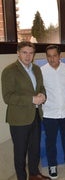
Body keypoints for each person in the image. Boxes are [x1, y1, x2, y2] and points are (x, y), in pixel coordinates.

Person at [1, 41, 50, 180]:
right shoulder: (9, 70)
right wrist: (31, 99)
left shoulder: (36, 69)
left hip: (35, 115)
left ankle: (34, 175)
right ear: (18, 53)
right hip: (19, 119)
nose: (28, 56)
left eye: (31, 53)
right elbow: (8, 97)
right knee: (20, 153)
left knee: (34, 149)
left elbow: (41, 87)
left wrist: (43, 95)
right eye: (24, 52)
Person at [41, 45, 65, 179]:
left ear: (60, 56)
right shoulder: (42, 71)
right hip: (49, 112)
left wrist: (64, 100)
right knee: (50, 140)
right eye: (49, 56)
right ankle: (52, 165)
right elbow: (41, 89)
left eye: (55, 55)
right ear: (46, 57)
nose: (52, 59)